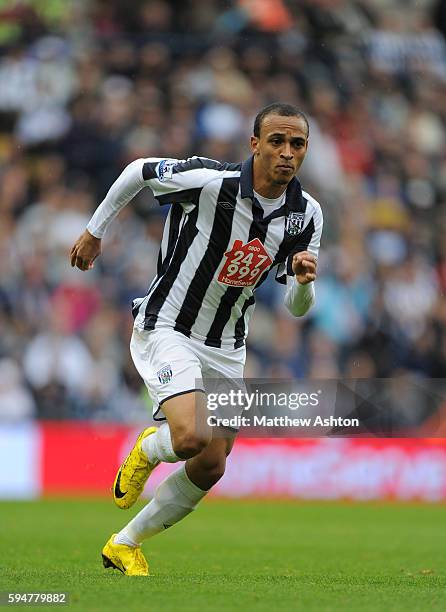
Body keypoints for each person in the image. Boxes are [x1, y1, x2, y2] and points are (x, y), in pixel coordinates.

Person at [70, 102, 323, 576]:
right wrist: (94, 231)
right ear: (255, 144)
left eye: (297, 144)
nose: (287, 153)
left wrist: (306, 283)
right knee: (188, 437)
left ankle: (124, 545)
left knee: (211, 465)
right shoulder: (212, 182)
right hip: (170, 326)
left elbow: (297, 308)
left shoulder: (306, 216)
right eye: (277, 142)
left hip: (228, 345)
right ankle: (149, 447)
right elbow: (138, 171)